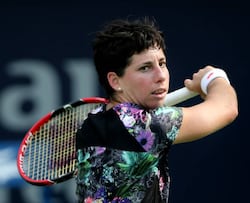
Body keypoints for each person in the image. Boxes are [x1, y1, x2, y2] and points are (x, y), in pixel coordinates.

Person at [75, 17, 238, 203]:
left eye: (162, 63)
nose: (160, 76)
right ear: (115, 81)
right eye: (145, 68)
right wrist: (213, 77)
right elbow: (226, 108)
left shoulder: (91, 122)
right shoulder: (142, 125)